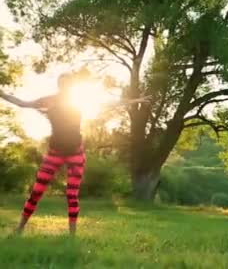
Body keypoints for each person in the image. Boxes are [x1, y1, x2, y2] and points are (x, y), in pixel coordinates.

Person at [0, 73, 149, 235]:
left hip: (75, 152)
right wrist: (3, 94)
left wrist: (134, 101)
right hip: (55, 152)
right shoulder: (50, 100)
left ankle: (72, 235)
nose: (65, 88)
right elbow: (23, 103)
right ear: (59, 85)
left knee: (72, 195)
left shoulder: (78, 102)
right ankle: (19, 228)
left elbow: (107, 103)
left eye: (68, 85)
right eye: (62, 84)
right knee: (36, 191)